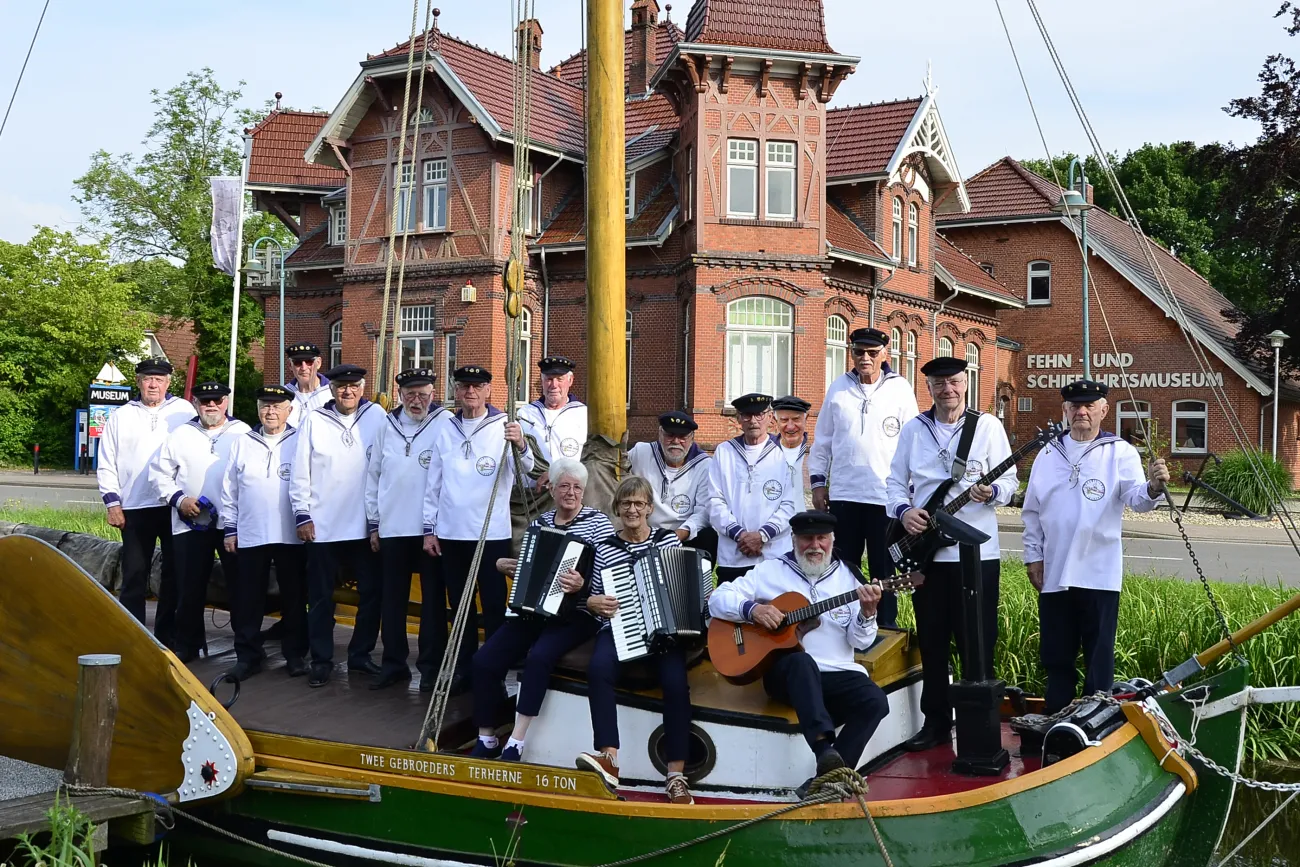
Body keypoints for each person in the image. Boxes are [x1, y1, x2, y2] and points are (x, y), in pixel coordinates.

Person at [887, 356, 1015, 752]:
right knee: (932, 641)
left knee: (979, 641)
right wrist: (904, 512)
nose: (948, 390)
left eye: (955, 382)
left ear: (966, 383)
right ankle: (936, 723)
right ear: (929, 388)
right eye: (940, 384)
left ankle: (980, 723)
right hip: (929, 559)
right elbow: (893, 483)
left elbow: (1010, 481)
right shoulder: (914, 430)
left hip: (978, 557)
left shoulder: (987, 427)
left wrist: (992, 492)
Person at [1023, 379, 1169, 713]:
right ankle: (1056, 719)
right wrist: (1033, 556)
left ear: (1104, 410)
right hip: (1055, 571)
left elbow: (1137, 499)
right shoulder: (1048, 453)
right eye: (1075, 406)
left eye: (1089, 406)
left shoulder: (1119, 452)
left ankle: (1095, 721)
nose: (1082, 412)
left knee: (1098, 657)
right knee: (1056, 655)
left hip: (1099, 572)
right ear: (1065, 410)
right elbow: (1032, 511)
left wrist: (1153, 487)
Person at [709, 511, 888, 777]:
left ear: (832, 540)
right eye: (807, 539)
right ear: (794, 540)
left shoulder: (850, 577)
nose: (815, 546)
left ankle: (830, 777)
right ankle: (823, 750)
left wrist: (868, 613)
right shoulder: (771, 570)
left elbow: (859, 641)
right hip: (788, 677)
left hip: (836, 675)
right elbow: (718, 598)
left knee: (876, 701)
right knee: (802, 661)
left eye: (821, 538)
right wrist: (753, 610)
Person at [469, 458, 614, 760]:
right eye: (564, 486)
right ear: (552, 489)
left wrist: (582, 585)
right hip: (536, 610)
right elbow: (530, 572)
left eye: (577, 487)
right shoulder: (540, 523)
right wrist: (510, 567)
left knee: (539, 656)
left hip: (578, 613)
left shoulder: (598, 523)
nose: (571, 493)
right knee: (484, 660)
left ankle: (516, 740)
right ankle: (486, 737)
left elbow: (606, 576)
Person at [577, 474, 696, 804]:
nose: (632, 510)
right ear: (617, 508)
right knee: (598, 669)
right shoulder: (604, 549)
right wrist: (593, 602)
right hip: (619, 628)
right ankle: (609, 759)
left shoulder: (668, 542)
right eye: (626, 503)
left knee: (676, 684)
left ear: (649, 508)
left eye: (639, 504)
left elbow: (684, 586)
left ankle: (675, 775)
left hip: (664, 632)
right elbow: (592, 597)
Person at [423, 365, 534, 692]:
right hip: (451, 533)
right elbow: (434, 482)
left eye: (477, 386)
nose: (470, 392)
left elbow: (526, 471)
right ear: (456, 390)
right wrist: (430, 528)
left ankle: (493, 672)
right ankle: (464, 669)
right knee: (460, 607)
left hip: (491, 534)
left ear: (488, 390)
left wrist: (521, 444)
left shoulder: (504, 425)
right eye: (464, 386)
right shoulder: (446, 427)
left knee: (495, 605)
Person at [808, 328, 918, 627]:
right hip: (845, 496)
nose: (865, 358)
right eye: (858, 352)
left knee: (885, 571)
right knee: (844, 569)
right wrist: (818, 484)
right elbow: (822, 441)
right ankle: (843, 627)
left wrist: (910, 493)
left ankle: (886, 630)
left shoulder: (901, 389)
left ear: (885, 353)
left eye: (872, 352)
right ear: (851, 353)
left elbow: (914, 445)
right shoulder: (838, 388)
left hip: (886, 498)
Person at [290, 364, 387, 688]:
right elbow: (300, 470)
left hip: (364, 524)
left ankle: (360, 654)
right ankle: (321, 660)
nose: (348, 391)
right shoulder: (314, 419)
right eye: (341, 386)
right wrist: (302, 514)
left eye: (354, 385)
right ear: (331, 389)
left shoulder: (377, 416)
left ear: (363, 387)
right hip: (323, 524)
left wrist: (379, 521)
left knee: (372, 593)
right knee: (320, 597)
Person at [149, 381, 250, 662]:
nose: (211, 405)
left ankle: (246, 646)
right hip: (189, 523)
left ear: (226, 402)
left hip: (232, 524)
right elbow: (158, 474)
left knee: (240, 587)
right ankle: (188, 644)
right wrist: (179, 499)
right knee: (189, 587)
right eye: (205, 401)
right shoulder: (181, 435)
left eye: (217, 400)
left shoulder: (242, 433)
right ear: (196, 404)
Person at [97, 357, 197, 640]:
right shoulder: (121, 416)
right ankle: (134, 636)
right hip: (134, 505)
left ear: (168, 382)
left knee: (174, 573)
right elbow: (106, 462)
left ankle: (167, 636)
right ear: (138, 381)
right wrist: (112, 503)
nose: (153, 384)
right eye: (148, 379)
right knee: (134, 574)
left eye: (159, 379)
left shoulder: (184, 411)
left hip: (173, 505)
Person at [365, 368, 451, 691]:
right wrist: (374, 523)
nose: (417, 401)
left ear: (433, 394)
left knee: (432, 602)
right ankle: (394, 665)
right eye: (410, 394)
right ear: (399, 395)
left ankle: (430, 668)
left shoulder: (444, 423)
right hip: (393, 527)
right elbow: (373, 475)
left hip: (431, 530)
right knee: (392, 600)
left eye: (423, 394)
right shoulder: (385, 425)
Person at [220, 385, 309, 679]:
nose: (270, 411)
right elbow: (230, 490)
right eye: (265, 405)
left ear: (289, 410)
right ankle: (248, 656)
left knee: (294, 598)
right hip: (252, 533)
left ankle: (295, 655)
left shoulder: (301, 440)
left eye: (277, 406)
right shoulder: (242, 442)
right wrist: (230, 528)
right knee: (248, 599)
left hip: (290, 535)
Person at [708, 393, 796, 581]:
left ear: (770, 417)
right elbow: (714, 501)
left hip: (775, 555)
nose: (753, 421)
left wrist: (763, 535)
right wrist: (739, 535)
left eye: (759, 414)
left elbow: (791, 504)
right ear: (738, 418)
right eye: (747, 415)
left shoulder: (786, 452)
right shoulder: (724, 452)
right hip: (733, 556)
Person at [627, 411, 716, 559]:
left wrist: (675, 536)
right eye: (670, 435)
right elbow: (614, 469)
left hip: (683, 536)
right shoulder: (640, 452)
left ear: (692, 438)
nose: (676, 441)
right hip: (643, 534)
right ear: (660, 434)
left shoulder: (705, 465)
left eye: (682, 437)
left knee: (708, 536)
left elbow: (703, 513)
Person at [517, 355, 587, 486]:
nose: (554, 385)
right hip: (533, 492)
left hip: (570, 492)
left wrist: (556, 475)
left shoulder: (584, 414)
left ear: (570, 380)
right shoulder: (525, 414)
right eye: (549, 379)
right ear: (542, 381)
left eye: (560, 379)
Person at [772, 394, 812, 511]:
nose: (790, 427)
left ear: (806, 418)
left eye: (796, 419)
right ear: (775, 420)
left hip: (806, 520)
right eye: (784, 420)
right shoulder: (767, 452)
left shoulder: (816, 453)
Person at [284, 343, 332, 429]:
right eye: (297, 363)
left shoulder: (332, 393)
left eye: (309, 362)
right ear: (290, 365)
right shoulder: (284, 395)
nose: (304, 367)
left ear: (318, 363)